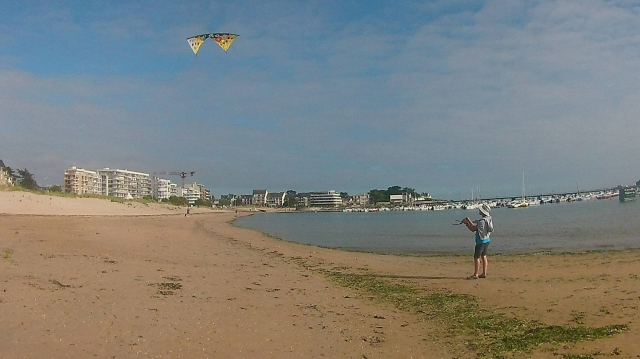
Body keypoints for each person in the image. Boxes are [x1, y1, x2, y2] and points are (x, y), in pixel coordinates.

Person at [462, 204, 493, 279]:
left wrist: (466, 222)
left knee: (476, 257)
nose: (479, 211)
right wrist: (469, 221)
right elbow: (476, 226)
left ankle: (476, 274)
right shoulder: (488, 219)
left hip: (481, 242)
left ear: (483, 212)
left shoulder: (482, 221)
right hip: (487, 240)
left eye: (480, 210)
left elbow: (473, 228)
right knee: (484, 256)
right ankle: (484, 273)